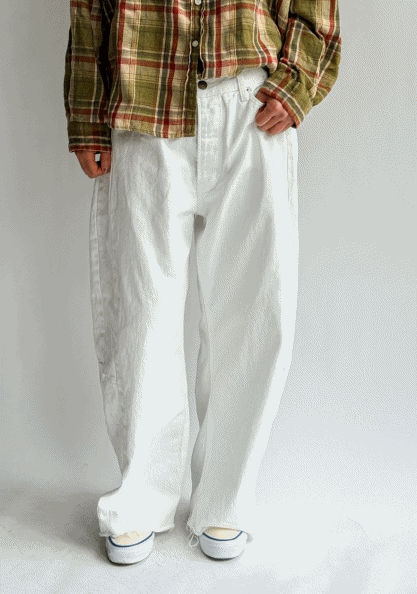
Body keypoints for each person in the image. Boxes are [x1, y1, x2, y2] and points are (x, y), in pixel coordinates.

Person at [64, 0, 341, 564]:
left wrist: (297, 80)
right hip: (142, 95)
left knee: (253, 313)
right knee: (142, 312)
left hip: (250, 100)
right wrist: (87, 112)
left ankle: (225, 502)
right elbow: (89, 7)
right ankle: (141, 499)